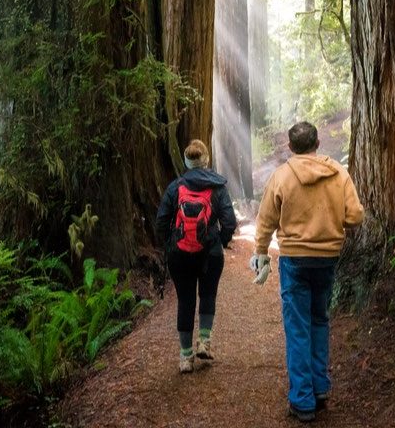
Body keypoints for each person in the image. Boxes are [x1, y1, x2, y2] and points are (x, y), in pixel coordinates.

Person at [251, 121, 364, 422]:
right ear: (317, 144)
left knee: (298, 327)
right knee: (320, 320)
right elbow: (355, 215)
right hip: (327, 259)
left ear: (291, 147)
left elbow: (265, 221)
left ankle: (302, 400)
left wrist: (261, 252)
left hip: (295, 261)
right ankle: (320, 388)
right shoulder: (338, 174)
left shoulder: (282, 176)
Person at [155, 139, 237, 373]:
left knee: (186, 300)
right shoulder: (218, 187)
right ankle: (205, 342)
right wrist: (219, 241)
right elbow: (229, 223)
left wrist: (172, 243)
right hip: (210, 253)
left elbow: (161, 222)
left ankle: (185, 357)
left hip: (180, 255)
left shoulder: (175, 187)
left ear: (187, 162)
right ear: (206, 160)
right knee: (208, 295)